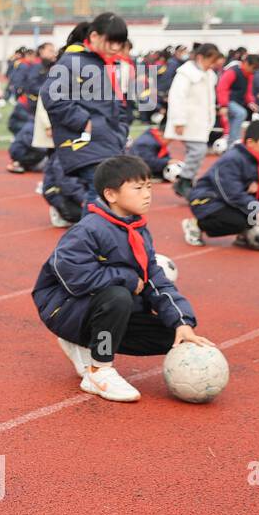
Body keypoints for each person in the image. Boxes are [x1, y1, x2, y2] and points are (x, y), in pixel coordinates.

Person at [32, 155, 209, 403]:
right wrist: (126, 278)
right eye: (138, 188)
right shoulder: (87, 230)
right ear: (111, 195)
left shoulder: (138, 230)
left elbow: (156, 280)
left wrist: (182, 321)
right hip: (63, 309)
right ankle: (99, 370)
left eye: (149, 187)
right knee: (117, 296)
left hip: (97, 309)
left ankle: (83, 343)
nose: (147, 194)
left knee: (172, 337)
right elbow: (75, 278)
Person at [40, 13, 131, 225]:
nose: (116, 47)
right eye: (112, 41)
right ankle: (84, 249)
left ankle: (90, 248)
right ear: (95, 36)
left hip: (106, 140)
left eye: (120, 43)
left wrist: (120, 128)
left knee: (107, 198)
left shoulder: (103, 64)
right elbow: (51, 95)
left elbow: (112, 105)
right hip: (85, 141)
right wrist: (84, 122)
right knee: (101, 197)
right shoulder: (73, 61)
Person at [182, 119, 259, 247]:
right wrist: (258, 210)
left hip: (223, 197)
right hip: (206, 200)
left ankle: (246, 233)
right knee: (239, 221)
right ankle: (196, 225)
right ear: (251, 143)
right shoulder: (232, 159)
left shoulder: (253, 157)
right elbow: (232, 193)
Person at [163, 43, 224, 199]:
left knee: (198, 151)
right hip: (188, 121)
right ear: (200, 57)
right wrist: (179, 121)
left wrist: (211, 118)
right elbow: (177, 97)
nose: (212, 65)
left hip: (200, 121)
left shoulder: (209, 75)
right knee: (198, 150)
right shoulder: (185, 74)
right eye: (210, 61)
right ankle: (184, 181)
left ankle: (187, 180)